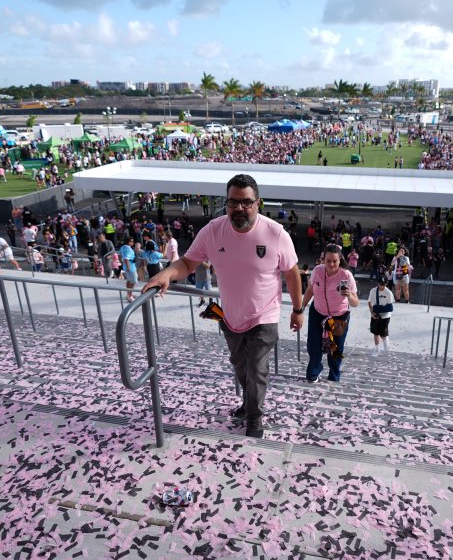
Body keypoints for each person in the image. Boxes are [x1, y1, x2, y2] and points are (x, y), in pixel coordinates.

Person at [143, 174, 303, 440]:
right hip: (230, 317)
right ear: (226, 204)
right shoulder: (212, 231)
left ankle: (255, 416)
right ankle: (250, 403)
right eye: (233, 203)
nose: (239, 208)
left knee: (256, 369)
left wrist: (297, 310)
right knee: (240, 367)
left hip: (265, 315)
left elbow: (291, 272)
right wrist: (165, 275)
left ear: (257, 203)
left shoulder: (275, 233)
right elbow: (187, 263)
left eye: (246, 203)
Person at [300, 244, 359, 382]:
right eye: (328, 261)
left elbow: (355, 303)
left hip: (339, 316)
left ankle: (333, 377)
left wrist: (349, 295)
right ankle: (313, 373)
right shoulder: (317, 271)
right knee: (313, 346)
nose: (331, 264)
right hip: (318, 312)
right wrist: (301, 307)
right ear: (323, 260)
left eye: (335, 261)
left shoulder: (346, 275)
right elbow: (310, 290)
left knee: (335, 349)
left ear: (340, 260)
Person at [367, 277, 395, 356]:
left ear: (386, 284)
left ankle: (386, 342)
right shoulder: (373, 291)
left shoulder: (388, 293)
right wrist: (372, 313)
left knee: (383, 334)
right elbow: (369, 303)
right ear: (378, 283)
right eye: (380, 284)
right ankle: (377, 348)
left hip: (385, 316)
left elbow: (390, 308)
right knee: (375, 333)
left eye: (383, 284)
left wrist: (377, 308)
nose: (381, 286)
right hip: (375, 314)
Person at [118, 236, 138, 301]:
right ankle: (130, 296)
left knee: (129, 280)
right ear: (129, 242)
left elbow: (119, 254)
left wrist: (121, 261)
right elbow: (126, 259)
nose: (133, 242)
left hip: (126, 266)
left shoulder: (123, 247)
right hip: (131, 267)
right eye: (132, 241)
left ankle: (128, 294)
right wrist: (129, 267)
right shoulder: (128, 249)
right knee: (133, 281)